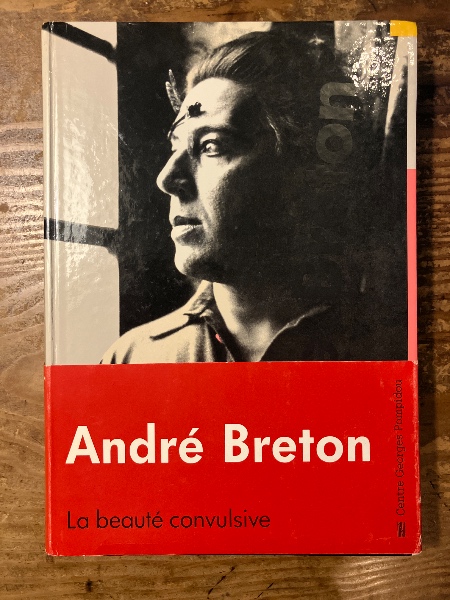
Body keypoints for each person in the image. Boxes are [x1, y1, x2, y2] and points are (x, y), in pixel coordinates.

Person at [102, 31, 367, 364]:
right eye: (175, 147)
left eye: (211, 146)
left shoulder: (384, 350)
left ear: (299, 170)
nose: (167, 179)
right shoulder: (131, 361)